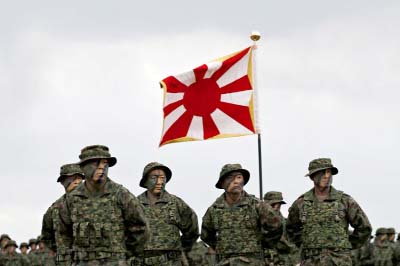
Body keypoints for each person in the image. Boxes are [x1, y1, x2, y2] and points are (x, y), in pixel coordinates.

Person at [59, 145, 149, 265]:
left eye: (105, 164)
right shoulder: (72, 199)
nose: (101, 168)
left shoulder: (121, 194)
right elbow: (63, 233)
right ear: (84, 168)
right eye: (96, 163)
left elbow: (141, 228)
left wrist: (128, 257)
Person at [287, 158, 372, 266]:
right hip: (311, 261)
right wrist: (306, 244)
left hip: (339, 261)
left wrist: (345, 245)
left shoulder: (345, 201)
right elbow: (290, 229)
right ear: (313, 176)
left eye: (329, 172)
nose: (327, 176)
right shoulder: (301, 203)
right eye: (322, 173)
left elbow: (364, 228)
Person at [201, 163, 282, 266]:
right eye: (230, 178)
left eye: (239, 177)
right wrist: (223, 247)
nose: (236, 182)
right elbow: (206, 234)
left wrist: (261, 245)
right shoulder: (214, 210)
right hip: (225, 262)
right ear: (222, 183)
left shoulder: (257, 205)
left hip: (253, 262)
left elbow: (276, 226)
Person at [137, 162, 199, 265]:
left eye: (163, 178)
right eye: (154, 177)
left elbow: (192, 229)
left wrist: (179, 248)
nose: (159, 182)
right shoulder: (134, 204)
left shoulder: (176, 203)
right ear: (146, 181)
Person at [41, 163, 84, 265]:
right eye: (72, 178)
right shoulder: (54, 209)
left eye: (79, 178)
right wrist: (63, 250)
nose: (77, 181)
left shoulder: (96, 204)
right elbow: (47, 237)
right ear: (63, 182)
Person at [263, 191, 299, 266]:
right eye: (273, 204)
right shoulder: (258, 223)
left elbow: (293, 245)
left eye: (278, 205)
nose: (276, 207)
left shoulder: (287, 224)